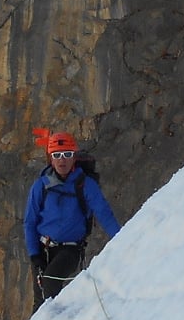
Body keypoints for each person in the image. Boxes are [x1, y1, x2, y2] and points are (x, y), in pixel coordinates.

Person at [23, 129, 120, 304]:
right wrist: (34, 255)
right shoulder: (41, 186)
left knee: (50, 283)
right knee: (40, 300)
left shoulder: (85, 184)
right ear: (51, 158)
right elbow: (30, 222)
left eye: (67, 154)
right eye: (57, 155)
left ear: (74, 157)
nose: (62, 160)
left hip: (70, 249)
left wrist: (122, 240)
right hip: (42, 248)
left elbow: (103, 213)